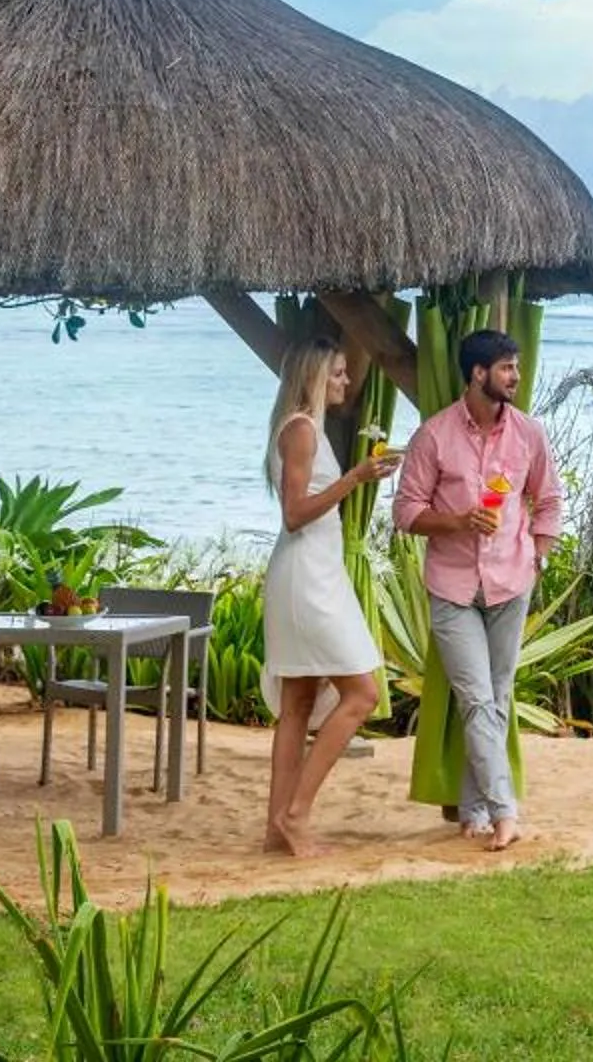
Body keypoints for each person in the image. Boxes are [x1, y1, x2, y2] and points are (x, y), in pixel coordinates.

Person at [393, 326, 561, 850]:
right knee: (475, 697)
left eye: (516, 365)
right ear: (477, 373)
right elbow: (405, 513)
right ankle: (505, 811)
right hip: (453, 589)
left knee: (497, 698)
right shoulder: (434, 436)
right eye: (507, 367)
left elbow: (549, 500)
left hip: (513, 581)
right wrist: (458, 521)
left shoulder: (529, 434)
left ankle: (472, 809)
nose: (516, 375)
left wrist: (539, 553)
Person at [259, 340, 398, 857]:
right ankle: (297, 812)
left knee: (296, 706)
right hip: (306, 578)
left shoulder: (305, 429)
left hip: (316, 572)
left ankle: (277, 829)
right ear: (316, 377)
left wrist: (358, 476)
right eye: (338, 373)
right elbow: (294, 514)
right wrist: (356, 478)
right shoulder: (300, 430)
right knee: (362, 693)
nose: (346, 381)